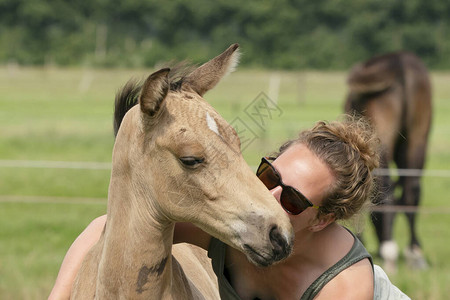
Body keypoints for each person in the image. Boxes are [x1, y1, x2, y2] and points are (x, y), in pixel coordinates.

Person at [49, 115, 410, 299]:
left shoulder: (343, 286)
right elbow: (110, 228)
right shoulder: (237, 223)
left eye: (293, 199)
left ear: (323, 219)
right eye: (269, 176)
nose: (267, 199)